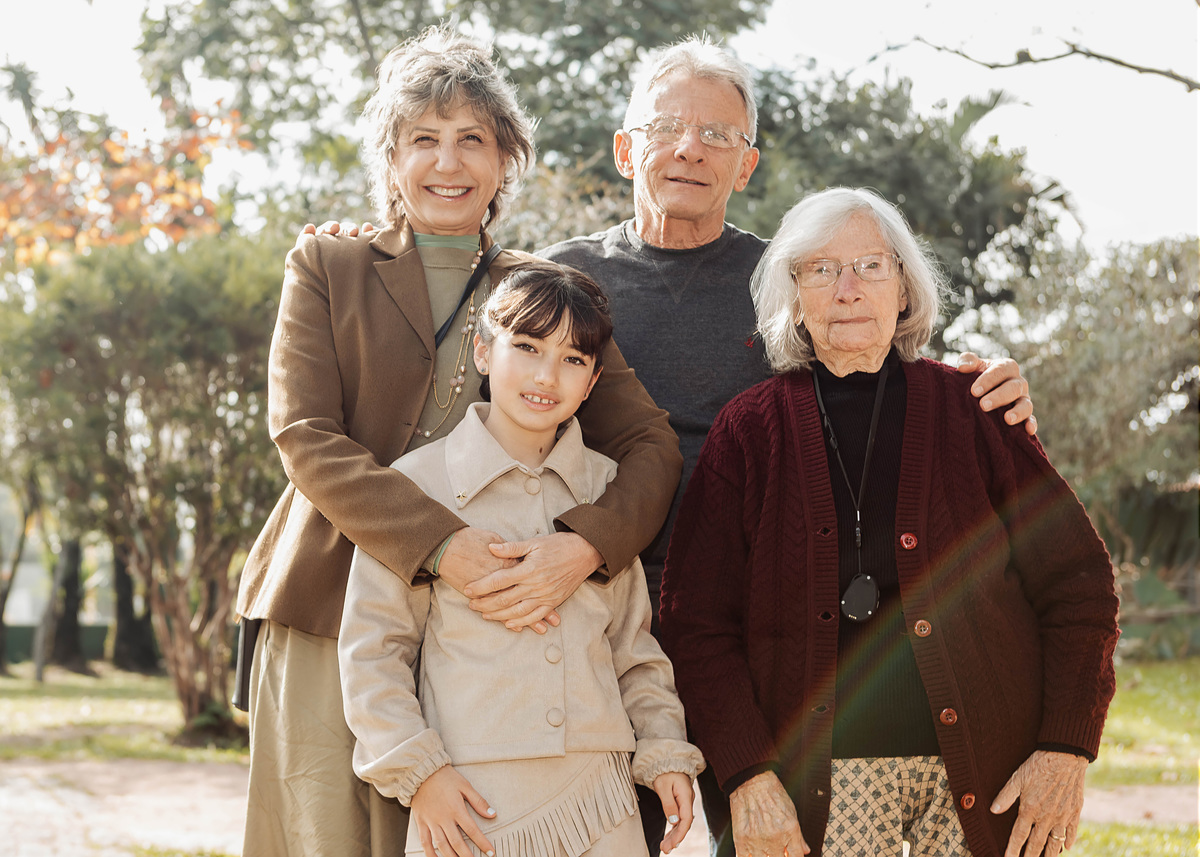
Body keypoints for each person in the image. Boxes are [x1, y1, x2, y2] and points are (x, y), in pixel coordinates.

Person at [311, 36, 1038, 855]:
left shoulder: (791, 281)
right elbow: (445, 315)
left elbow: (879, 370)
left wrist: (987, 385)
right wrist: (369, 239)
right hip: (585, 629)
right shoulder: (562, 283)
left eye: (718, 135)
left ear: (748, 165)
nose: (690, 148)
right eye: (667, 127)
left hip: (760, 636)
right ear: (627, 149)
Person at [236, 29, 682, 857]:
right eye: (424, 139)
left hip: (492, 636)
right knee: (326, 838)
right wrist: (440, 543)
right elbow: (304, 433)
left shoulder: (537, 297)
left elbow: (652, 445)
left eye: (473, 139)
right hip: (330, 602)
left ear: (505, 160)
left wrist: (582, 548)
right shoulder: (328, 262)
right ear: (393, 157)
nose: (449, 161)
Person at [658, 186, 1120, 857]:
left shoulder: (977, 410)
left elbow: (1079, 588)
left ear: (904, 287)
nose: (847, 288)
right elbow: (695, 621)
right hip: (815, 786)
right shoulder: (748, 432)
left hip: (986, 779)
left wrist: (1065, 749)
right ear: (793, 294)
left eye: (871, 266)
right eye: (821, 269)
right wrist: (748, 775)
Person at [339, 261, 704, 857]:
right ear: (483, 351)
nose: (546, 375)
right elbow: (373, 653)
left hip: (601, 804)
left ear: (592, 383)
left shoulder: (606, 492)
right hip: (467, 801)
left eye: (572, 359)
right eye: (527, 347)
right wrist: (420, 774)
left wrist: (664, 751)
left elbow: (635, 652)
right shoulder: (416, 488)